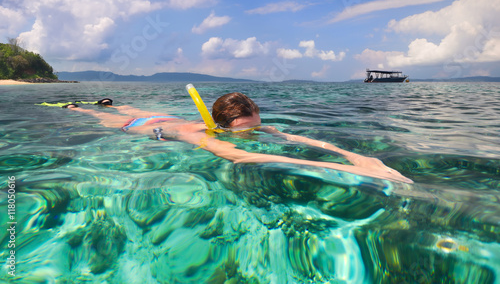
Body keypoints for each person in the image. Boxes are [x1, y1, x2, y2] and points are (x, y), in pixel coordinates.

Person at [62, 94, 413, 184]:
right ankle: (79, 106)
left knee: (118, 104)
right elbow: (243, 158)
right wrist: (346, 172)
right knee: (102, 114)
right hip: (139, 125)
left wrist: (351, 155)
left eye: (256, 126)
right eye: (247, 130)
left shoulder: (254, 126)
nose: (255, 134)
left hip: (162, 114)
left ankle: (110, 99)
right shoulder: (203, 136)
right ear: (222, 127)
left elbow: (291, 136)